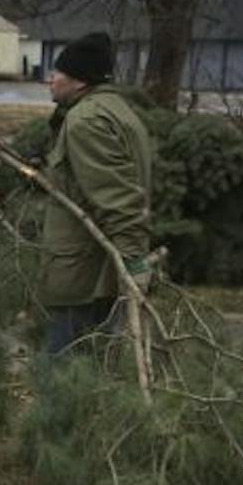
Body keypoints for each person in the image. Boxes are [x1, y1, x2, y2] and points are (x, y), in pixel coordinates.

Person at [39, 30, 155, 356]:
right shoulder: (116, 109)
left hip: (83, 277)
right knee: (92, 374)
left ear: (79, 81)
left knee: (65, 376)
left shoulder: (86, 121)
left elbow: (119, 198)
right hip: (96, 272)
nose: (50, 79)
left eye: (58, 72)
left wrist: (133, 263)